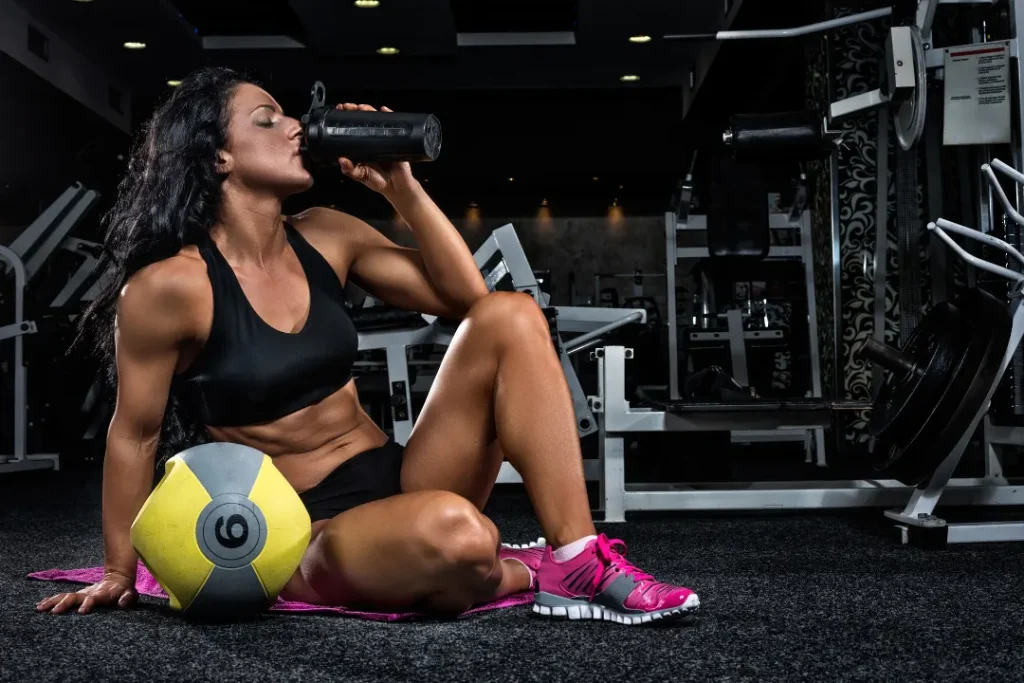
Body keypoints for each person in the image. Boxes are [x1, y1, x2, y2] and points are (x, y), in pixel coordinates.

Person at [34, 66, 699, 624]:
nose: (296, 126)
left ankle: (576, 557)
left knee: (511, 314)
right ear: (219, 156)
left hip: (401, 475)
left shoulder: (325, 232)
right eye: (268, 119)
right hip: (304, 529)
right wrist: (120, 569)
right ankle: (511, 570)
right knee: (461, 535)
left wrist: (401, 188)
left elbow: (468, 298)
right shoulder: (172, 285)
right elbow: (134, 434)